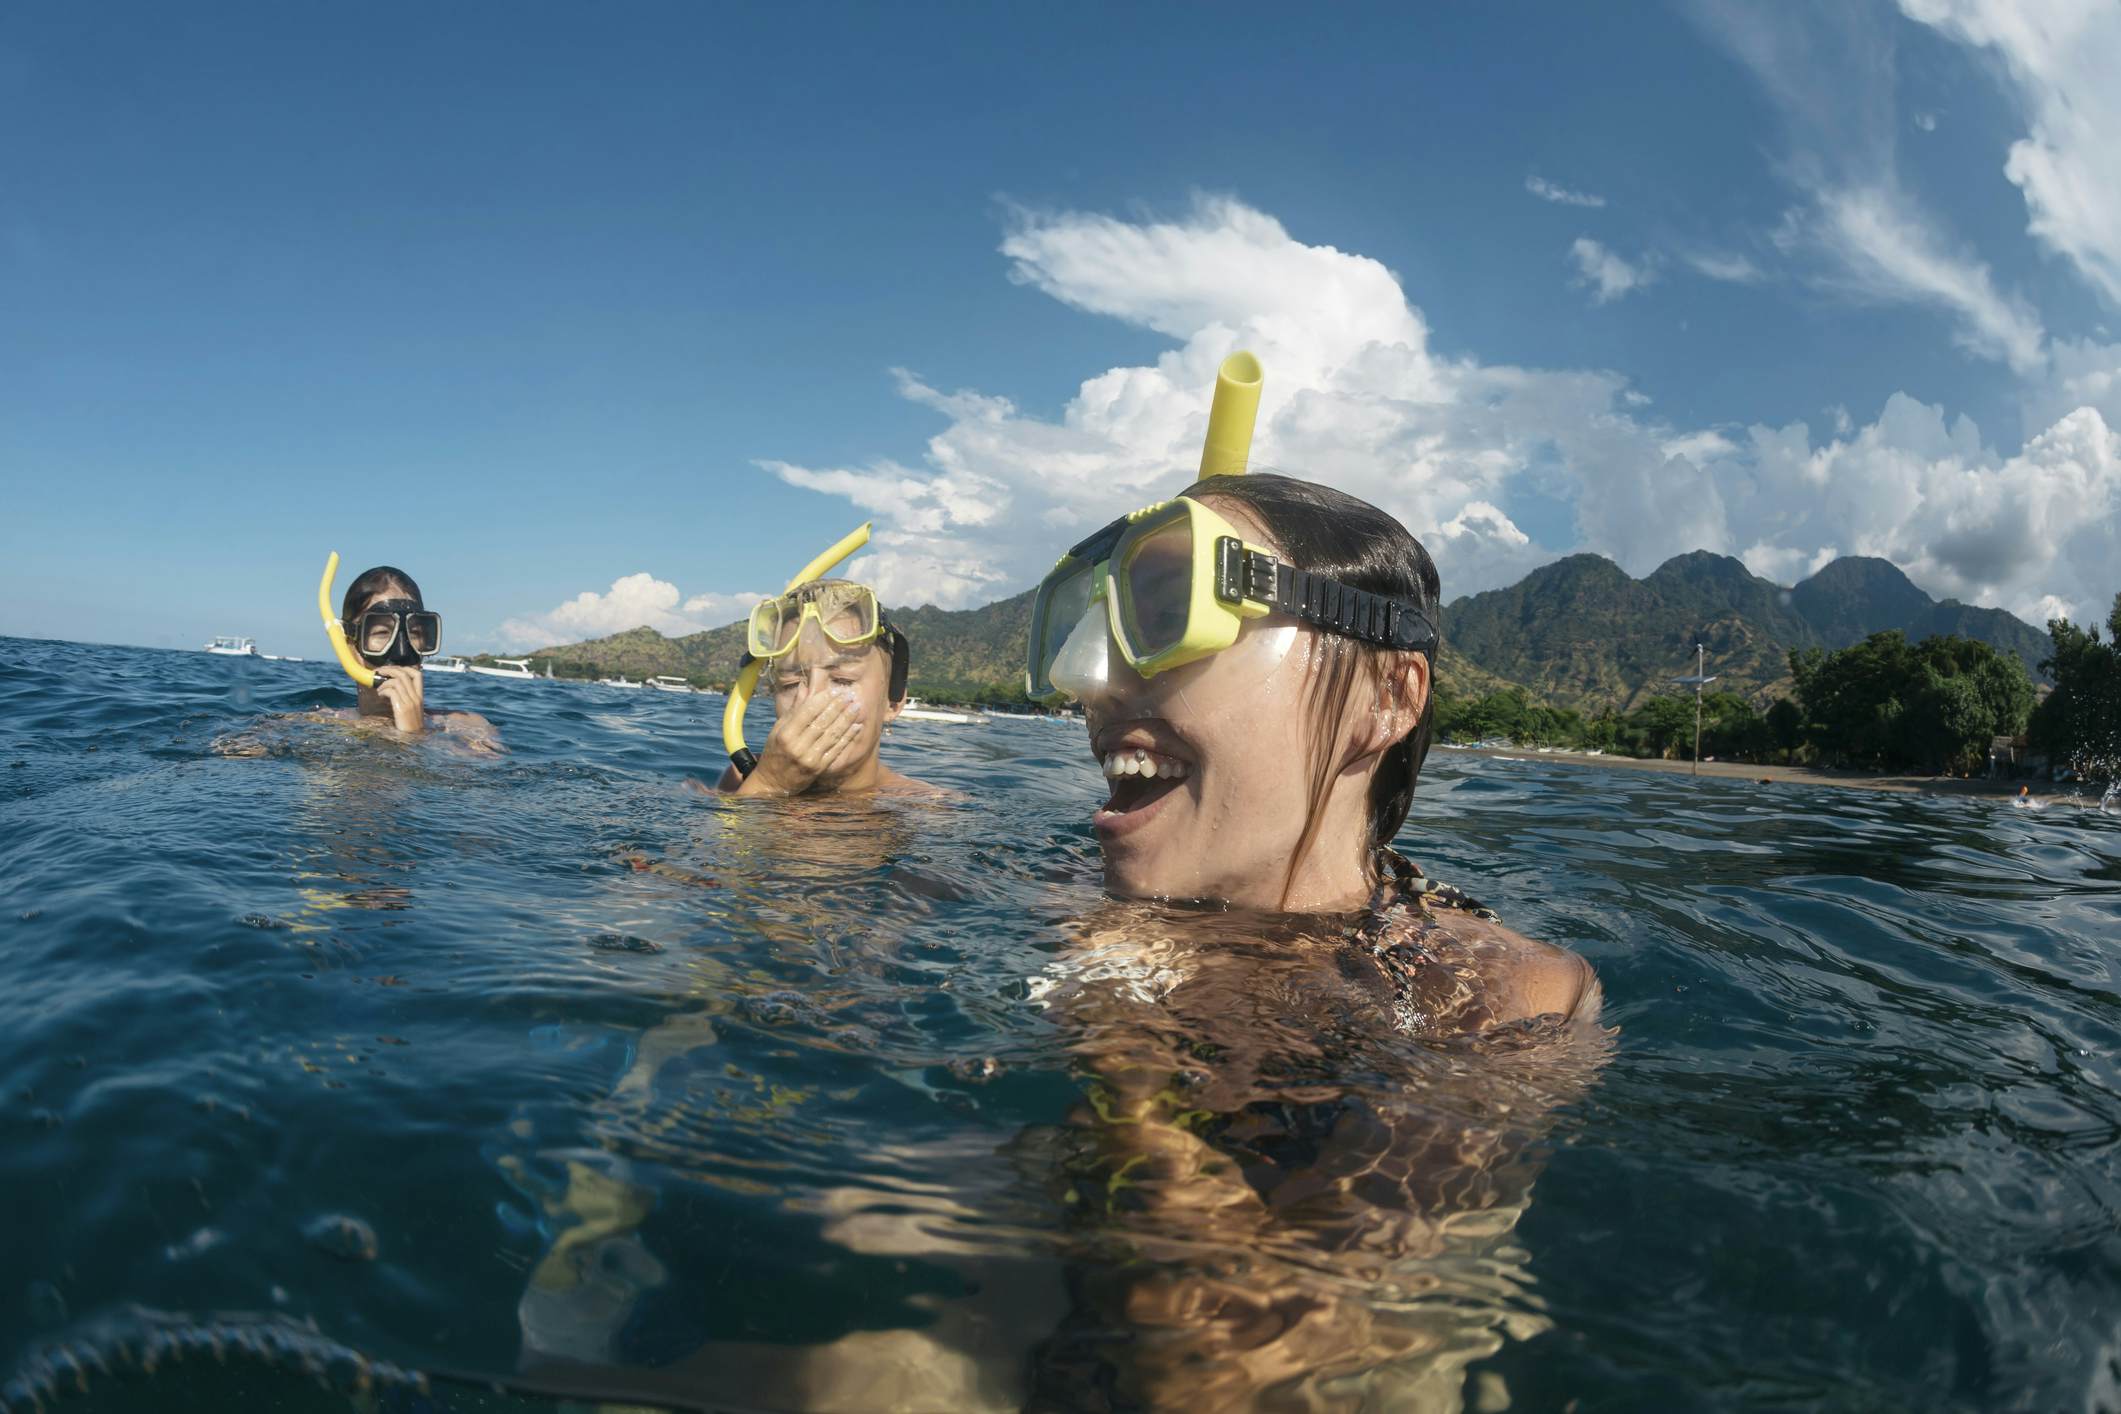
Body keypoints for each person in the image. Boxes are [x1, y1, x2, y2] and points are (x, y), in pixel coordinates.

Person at [1023, 466, 1605, 1407]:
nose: (1090, 681)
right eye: (1086, 635)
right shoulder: (1049, 892)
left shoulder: (1497, 995)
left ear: (1387, 694)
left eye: (1171, 613)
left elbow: (1253, 1359)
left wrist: (1127, 1052)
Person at [715, 577, 930, 796]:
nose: (811, 699)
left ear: (892, 702)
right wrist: (769, 784)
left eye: (842, 680)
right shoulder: (743, 779)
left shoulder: (925, 807)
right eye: (791, 684)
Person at [331, 562, 499, 748]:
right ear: (349, 647)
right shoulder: (321, 726)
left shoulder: (471, 728)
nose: (401, 653)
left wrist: (415, 734)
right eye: (382, 633)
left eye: (415, 633)